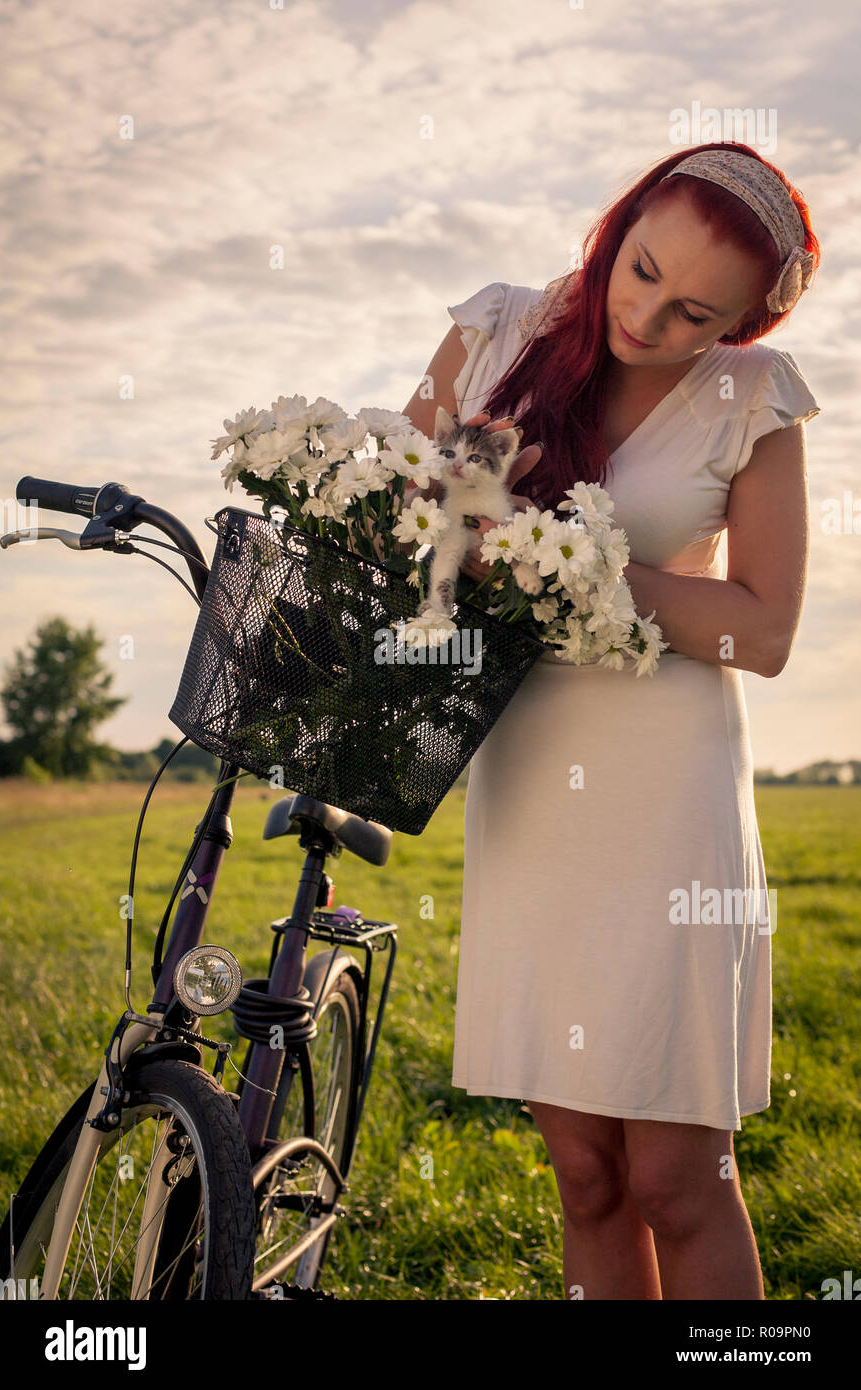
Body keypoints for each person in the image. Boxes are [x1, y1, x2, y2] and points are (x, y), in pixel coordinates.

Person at [400, 141, 822, 1300]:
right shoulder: (497, 331)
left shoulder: (753, 398)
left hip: (665, 793)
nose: (646, 316)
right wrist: (444, 523)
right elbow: (399, 524)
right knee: (583, 1174)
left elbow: (765, 631)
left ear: (740, 325)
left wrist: (581, 571)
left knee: (679, 1182)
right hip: (533, 774)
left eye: (695, 313)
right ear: (618, 220)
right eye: (638, 270)